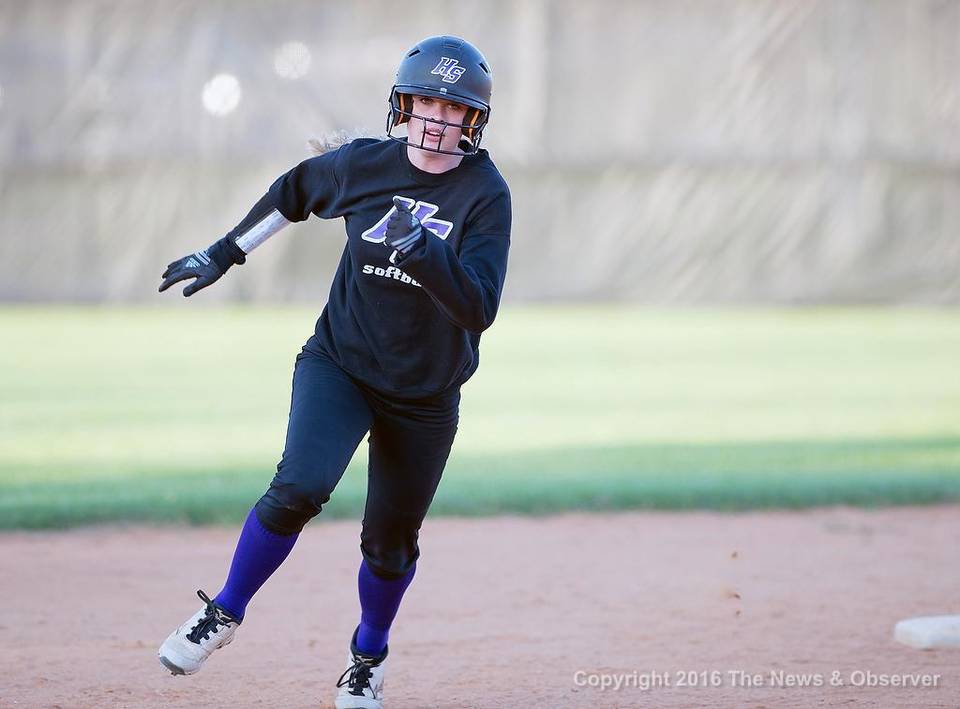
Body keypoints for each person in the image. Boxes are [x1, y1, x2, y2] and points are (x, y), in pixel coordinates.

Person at [155, 35, 509, 709]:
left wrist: (421, 249)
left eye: (452, 104)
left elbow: (479, 306)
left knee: (389, 544)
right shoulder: (364, 167)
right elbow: (293, 192)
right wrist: (223, 252)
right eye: (424, 100)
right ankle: (224, 611)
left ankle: (367, 657)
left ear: (473, 120)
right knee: (299, 485)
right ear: (402, 105)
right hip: (341, 363)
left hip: (426, 395)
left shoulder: (485, 194)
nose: (436, 114)